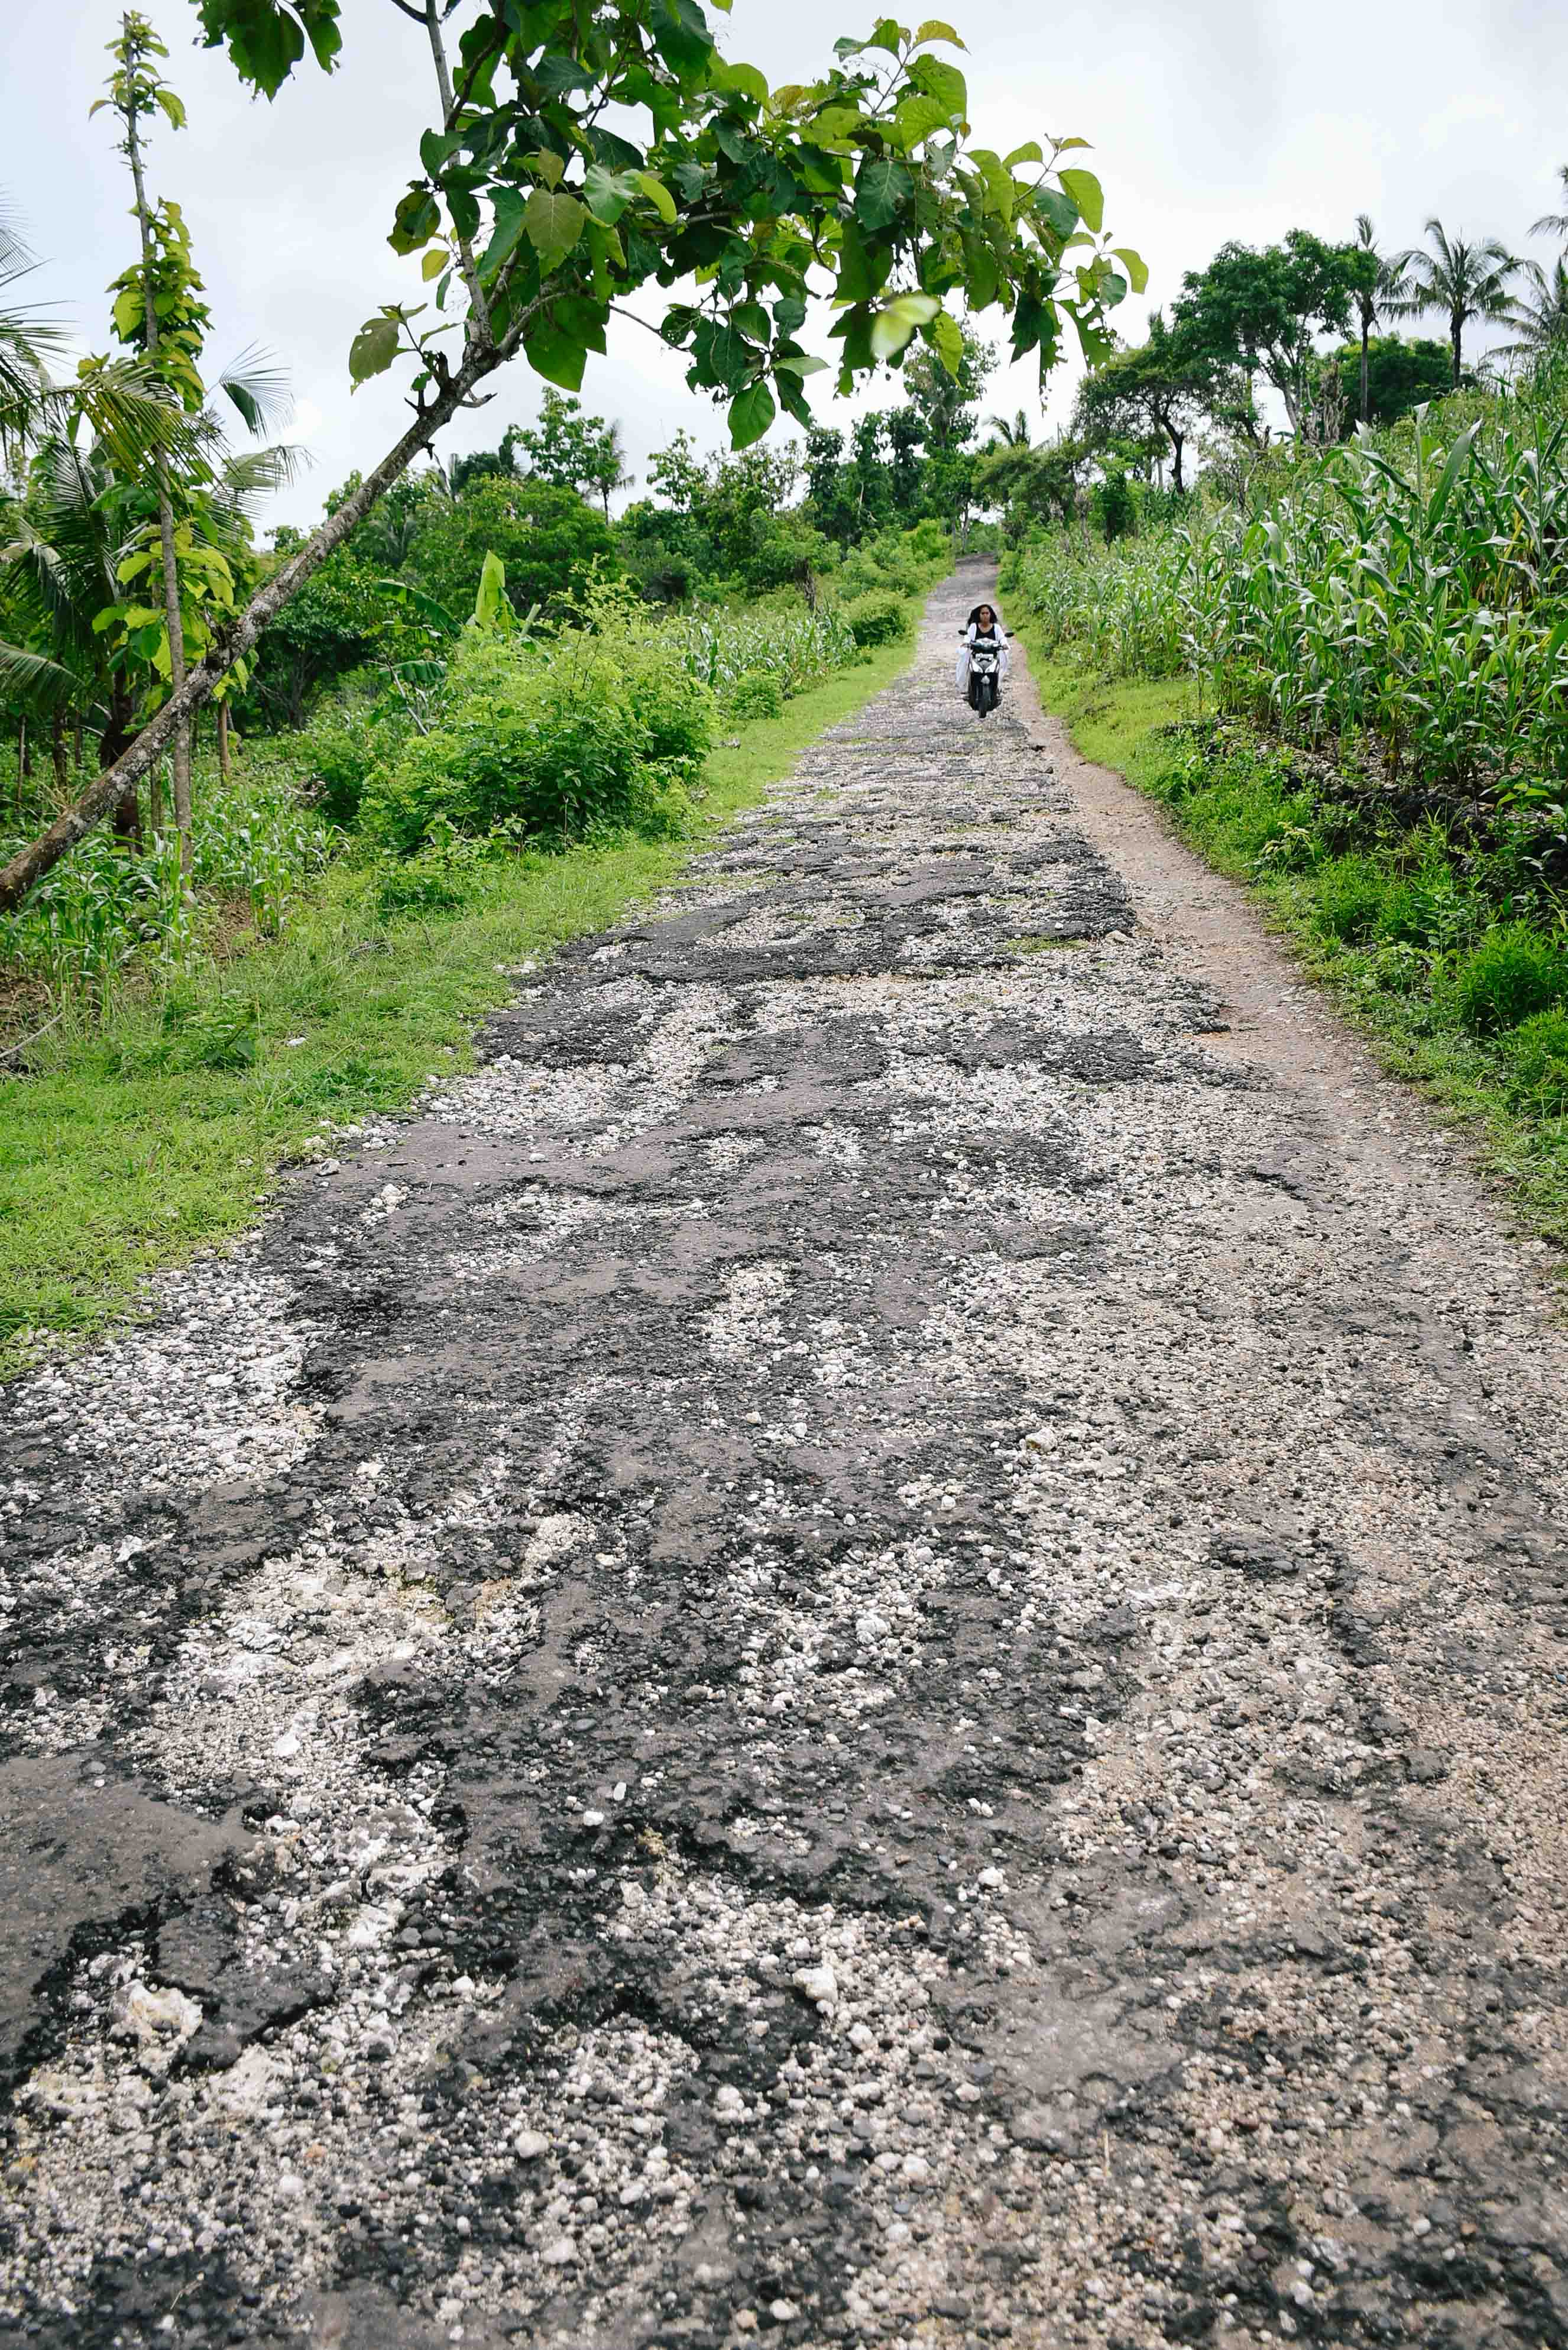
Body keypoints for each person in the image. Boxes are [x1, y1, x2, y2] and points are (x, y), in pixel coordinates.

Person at [957, 601, 1009, 717]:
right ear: (979, 615)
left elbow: (1002, 638)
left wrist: (1004, 644)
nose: (985, 615)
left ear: (991, 615)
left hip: (992, 657)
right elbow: (968, 637)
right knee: (966, 667)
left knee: (998, 671)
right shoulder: (974, 627)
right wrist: (966, 643)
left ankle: (997, 690)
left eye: (987, 613)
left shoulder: (996, 628)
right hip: (977, 657)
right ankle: (967, 689)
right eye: (983, 613)